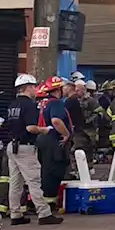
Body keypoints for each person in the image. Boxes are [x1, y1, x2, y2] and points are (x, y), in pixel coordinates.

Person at [6, 73, 61, 226]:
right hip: (25, 147)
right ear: (28, 87)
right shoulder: (29, 105)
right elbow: (30, 128)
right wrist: (45, 130)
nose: (35, 89)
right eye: (34, 86)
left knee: (15, 183)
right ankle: (44, 214)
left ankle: (15, 214)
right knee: (34, 181)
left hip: (12, 146)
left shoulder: (12, 105)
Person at [35, 76, 73, 210]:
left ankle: (46, 202)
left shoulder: (43, 103)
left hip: (42, 140)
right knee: (53, 172)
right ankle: (50, 204)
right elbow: (56, 120)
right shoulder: (56, 103)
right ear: (59, 90)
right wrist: (66, 134)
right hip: (53, 141)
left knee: (45, 170)